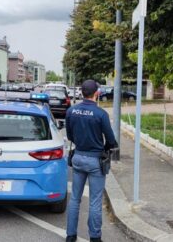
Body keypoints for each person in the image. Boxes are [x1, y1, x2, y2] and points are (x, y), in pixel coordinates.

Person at [65, 80, 118, 242]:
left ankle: (70, 236)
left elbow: (70, 136)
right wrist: (107, 147)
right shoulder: (101, 114)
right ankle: (95, 237)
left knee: (75, 198)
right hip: (95, 161)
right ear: (97, 93)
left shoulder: (71, 111)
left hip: (78, 158)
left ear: (82, 93)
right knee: (95, 201)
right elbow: (111, 140)